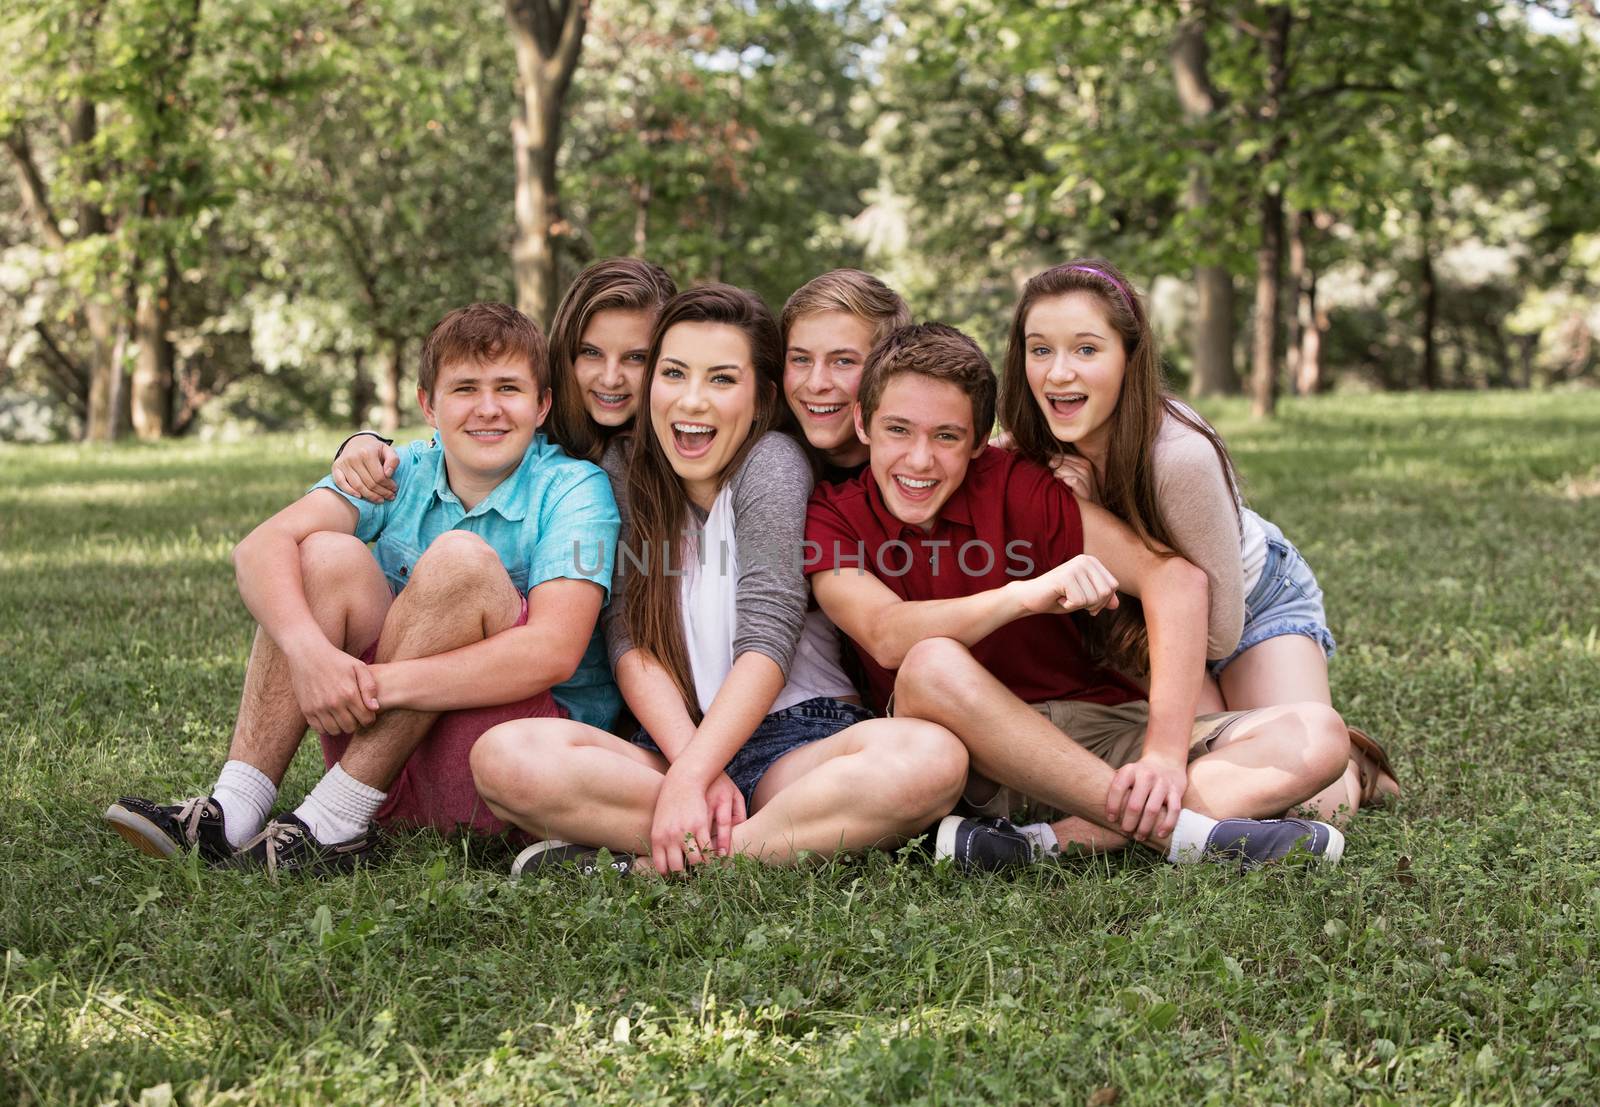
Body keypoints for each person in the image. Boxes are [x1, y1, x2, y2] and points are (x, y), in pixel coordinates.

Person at [804, 323, 1352, 869]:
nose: (920, 461)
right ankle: (1185, 834)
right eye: (898, 430)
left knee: (1320, 735)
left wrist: (1162, 755)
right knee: (930, 661)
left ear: (977, 441)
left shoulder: (1015, 483)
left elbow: (1176, 580)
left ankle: (1044, 845)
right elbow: (886, 635)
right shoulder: (832, 514)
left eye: (946, 436)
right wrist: (1023, 596)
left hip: (1104, 731)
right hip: (977, 752)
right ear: (863, 423)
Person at [468, 285, 968, 876]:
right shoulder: (624, 471)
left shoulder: (772, 462)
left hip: (801, 742)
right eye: (674, 373)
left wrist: (692, 778)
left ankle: (660, 864)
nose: (693, 401)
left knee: (930, 758)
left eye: (723, 380)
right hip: (682, 738)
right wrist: (690, 770)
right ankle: (767, 841)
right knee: (505, 756)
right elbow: (630, 636)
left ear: (762, 399)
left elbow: (769, 633)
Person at [103, 304, 620, 874]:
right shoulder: (397, 471)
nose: (488, 408)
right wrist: (312, 658)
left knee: (462, 563)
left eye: (509, 388)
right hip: (392, 756)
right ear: (428, 405)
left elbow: (553, 650)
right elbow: (258, 548)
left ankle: (332, 820)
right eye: (465, 388)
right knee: (322, 555)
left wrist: (366, 683)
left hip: (503, 766)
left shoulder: (573, 487)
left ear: (542, 403)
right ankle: (235, 807)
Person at [996, 259, 1397, 821]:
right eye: (1041, 350)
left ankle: (1350, 758)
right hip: (1145, 627)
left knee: (1317, 802)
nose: (1059, 374)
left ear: (1129, 358)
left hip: (1249, 609)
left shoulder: (1178, 457)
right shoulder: (1021, 452)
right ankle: (1263, 730)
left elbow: (1215, 635)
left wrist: (1086, 511)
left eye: (1086, 350)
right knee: (1227, 775)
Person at [330, 257, 677, 501]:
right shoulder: (535, 424)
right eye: (590, 353)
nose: (611, 378)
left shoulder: (667, 456)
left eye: (637, 358)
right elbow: (453, 440)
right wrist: (364, 443)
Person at [780, 268, 911, 483]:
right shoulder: (758, 463)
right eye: (801, 359)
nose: (816, 384)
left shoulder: (921, 472)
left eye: (843, 361)